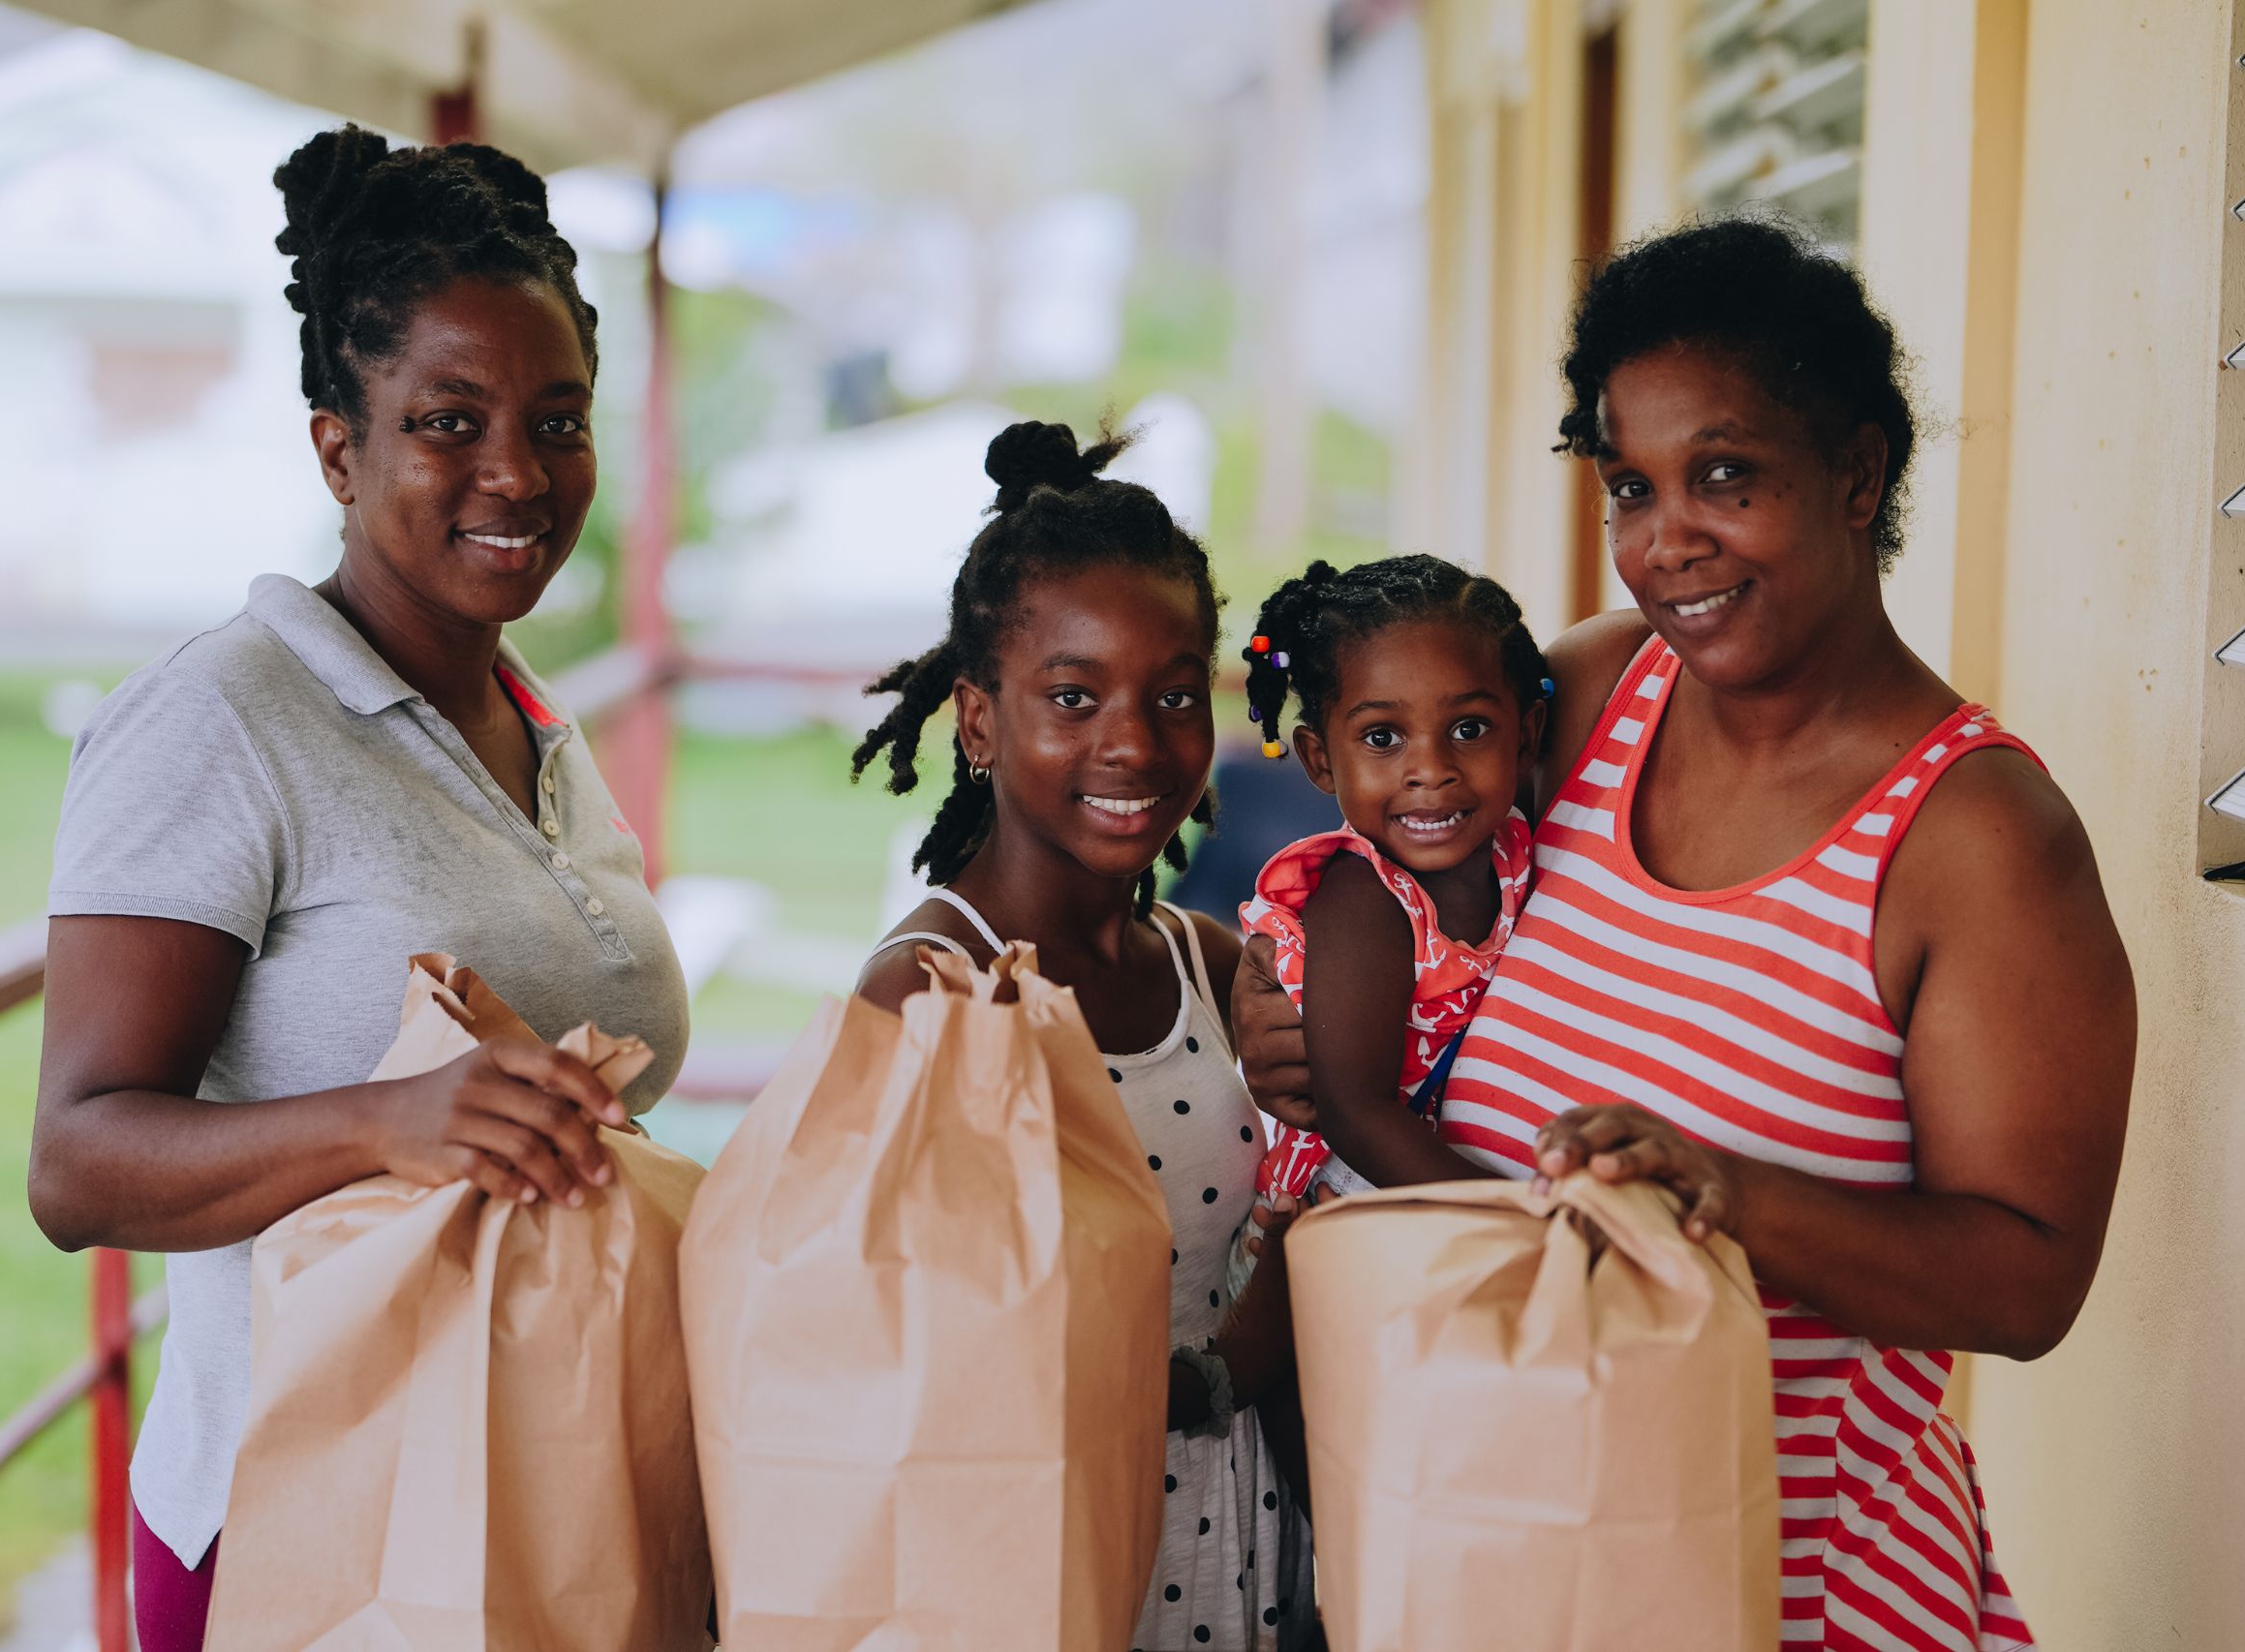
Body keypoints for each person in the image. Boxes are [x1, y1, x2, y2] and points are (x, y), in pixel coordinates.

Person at [1230, 217, 2135, 1652]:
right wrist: (1285, 1005)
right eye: (1630, 488)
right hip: (1488, 1550)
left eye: (1725, 476)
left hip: (1794, 1586)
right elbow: (1390, 868)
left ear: (1857, 473)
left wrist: (1728, 1190)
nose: (1668, 544)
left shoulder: (1975, 843)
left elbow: (2028, 1279)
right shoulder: (1583, 700)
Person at [26, 126, 690, 1652]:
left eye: (558, 419)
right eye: (448, 421)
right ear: (341, 445)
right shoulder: (224, 716)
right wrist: (386, 1123)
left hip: (546, 1514)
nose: (517, 472)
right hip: (308, 1527)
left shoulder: (538, 723)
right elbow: (76, 1162)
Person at [851, 419, 1316, 1652]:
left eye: (1172, 695)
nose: (1131, 740)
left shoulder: (1205, 964)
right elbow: (905, 1354)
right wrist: (1221, 1362)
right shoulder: (928, 992)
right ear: (977, 719)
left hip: (1237, 1532)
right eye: (1072, 695)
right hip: (1037, 1552)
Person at [1232, 555, 1545, 1213]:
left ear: (1527, 736)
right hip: (1341, 1213)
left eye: (1469, 729)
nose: (1430, 769)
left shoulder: (1518, 845)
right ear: (1320, 760)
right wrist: (1527, 1218)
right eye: (1382, 737)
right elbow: (1354, 1113)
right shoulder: (1363, 898)